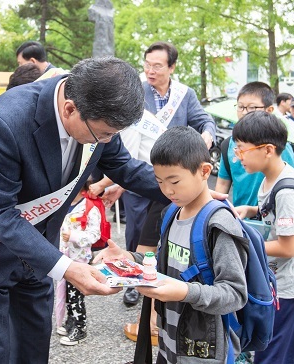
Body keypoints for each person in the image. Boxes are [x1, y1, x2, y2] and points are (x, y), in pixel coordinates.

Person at [0, 57, 171, 363]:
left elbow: (125, 168)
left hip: (39, 257)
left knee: (34, 353)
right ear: (70, 109)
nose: (108, 141)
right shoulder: (8, 119)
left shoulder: (99, 119)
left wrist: (188, 189)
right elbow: (1, 215)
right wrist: (68, 269)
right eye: (104, 134)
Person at [95, 126, 248, 364]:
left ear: (205, 171)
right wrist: (128, 258)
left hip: (205, 351)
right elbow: (161, 263)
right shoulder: (170, 212)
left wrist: (183, 292)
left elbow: (234, 294)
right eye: (159, 182)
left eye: (174, 181)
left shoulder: (218, 224)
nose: (167, 190)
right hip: (170, 343)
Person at [90, 41, 216, 309]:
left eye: (157, 65)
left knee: (170, 228)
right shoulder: (135, 90)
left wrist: (206, 136)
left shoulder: (184, 95)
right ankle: (133, 280)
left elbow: (205, 121)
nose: (150, 70)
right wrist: (117, 183)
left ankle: (169, 277)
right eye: (147, 64)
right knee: (136, 228)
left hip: (174, 178)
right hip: (137, 175)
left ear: (172, 67)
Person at [232, 111, 294, 364]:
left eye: (242, 150)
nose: (238, 158)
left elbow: (287, 247)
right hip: (282, 281)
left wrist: (244, 245)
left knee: (270, 355)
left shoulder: (286, 191)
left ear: (267, 149)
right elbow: (277, 215)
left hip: (287, 288)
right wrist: (252, 211)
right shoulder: (272, 178)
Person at [215, 82, 294, 207]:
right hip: (241, 219)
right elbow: (222, 183)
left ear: (269, 110)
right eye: (240, 107)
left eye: (252, 108)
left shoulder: (280, 146)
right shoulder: (228, 145)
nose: (244, 112)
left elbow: (291, 185)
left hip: (272, 219)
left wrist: (258, 211)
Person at [55, 178, 103, 346]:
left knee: (76, 295)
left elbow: (94, 234)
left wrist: (74, 237)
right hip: (64, 256)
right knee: (67, 292)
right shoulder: (62, 204)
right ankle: (70, 321)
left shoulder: (90, 207)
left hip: (80, 258)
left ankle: (80, 327)